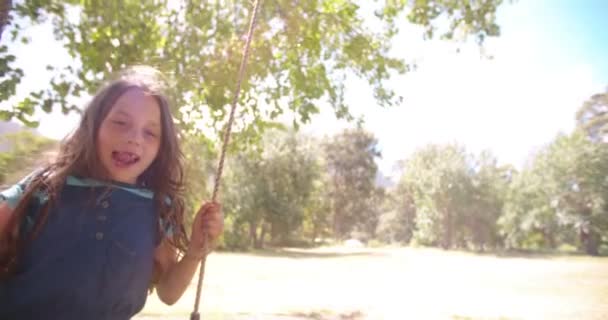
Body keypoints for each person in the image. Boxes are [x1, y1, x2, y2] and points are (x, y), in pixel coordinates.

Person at [0, 65, 224, 319]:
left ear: (161, 147)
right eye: (120, 122)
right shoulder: (45, 187)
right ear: (93, 126)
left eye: (150, 132)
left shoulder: (158, 208)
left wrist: (195, 251)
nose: (134, 138)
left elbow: (169, 293)